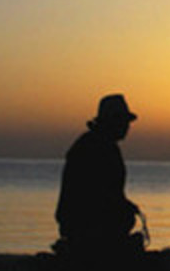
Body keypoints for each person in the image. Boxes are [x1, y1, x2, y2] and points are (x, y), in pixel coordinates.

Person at [54, 94, 144, 262]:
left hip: (83, 227)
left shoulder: (95, 144)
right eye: (123, 121)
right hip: (90, 232)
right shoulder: (98, 148)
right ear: (112, 121)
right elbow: (98, 196)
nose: (127, 126)